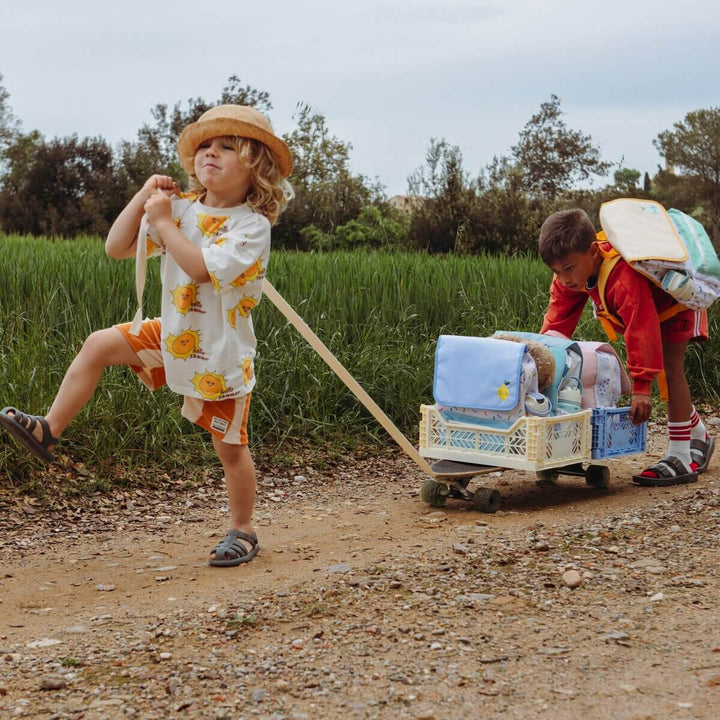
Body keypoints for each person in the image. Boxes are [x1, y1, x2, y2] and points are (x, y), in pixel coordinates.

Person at [0, 104, 294, 565]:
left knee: (230, 449)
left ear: (255, 166)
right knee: (98, 344)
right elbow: (116, 247)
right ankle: (48, 430)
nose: (209, 154)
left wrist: (161, 222)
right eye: (204, 147)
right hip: (174, 332)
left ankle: (243, 528)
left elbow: (198, 268)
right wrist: (144, 197)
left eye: (226, 147)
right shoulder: (182, 210)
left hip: (218, 353)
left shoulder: (251, 227)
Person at [538, 208, 714, 487]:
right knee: (667, 373)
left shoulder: (622, 277)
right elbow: (555, 329)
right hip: (648, 312)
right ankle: (699, 434)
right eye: (556, 271)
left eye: (568, 268)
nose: (563, 278)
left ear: (593, 251)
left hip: (674, 309)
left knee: (670, 370)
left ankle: (680, 455)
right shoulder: (570, 277)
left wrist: (642, 388)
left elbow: (640, 327)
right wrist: (541, 360)